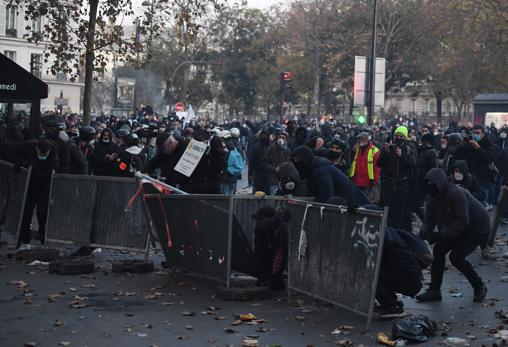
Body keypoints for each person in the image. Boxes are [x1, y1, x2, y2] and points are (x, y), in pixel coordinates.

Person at [416, 168, 489, 303]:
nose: (431, 190)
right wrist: (424, 231)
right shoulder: (432, 198)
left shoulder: (456, 194)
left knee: (456, 257)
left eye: (433, 185)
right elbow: (429, 220)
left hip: (477, 228)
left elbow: (463, 221)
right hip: (457, 227)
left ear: (441, 183)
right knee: (438, 250)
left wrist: (441, 235)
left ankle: (479, 286)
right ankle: (434, 291)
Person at [16, 139, 59, 249]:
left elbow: (53, 168)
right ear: (37, 149)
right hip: (31, 185)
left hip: (44, 186)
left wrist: (34, 168)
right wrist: (19, 163)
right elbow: (16, 153)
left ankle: (43, 239)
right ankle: (25, 240)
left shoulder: (53, 153)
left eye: (46, 153)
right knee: (26, 213)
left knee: (42, 213)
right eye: (41, 153)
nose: (43, 155)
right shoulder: (28, 146)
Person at [292, 145, 366, 206]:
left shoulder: (321, 170)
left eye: (297, 160)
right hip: (346, 205)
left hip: (353, 205)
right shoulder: (315, 168)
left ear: (305, 159)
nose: (296, 163)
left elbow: (326, 194)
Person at [377, 126, 415, 229]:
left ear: (405, 137)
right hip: (388, 182)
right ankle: (385, 228)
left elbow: (411, 165)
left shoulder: (408, 149)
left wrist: (401, 156)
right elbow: (379, 163)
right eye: (397, 136)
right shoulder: (389, 147)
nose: (398, 138)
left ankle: (397, 230)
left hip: (402, 183)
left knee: (399, 210)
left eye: (401, 136)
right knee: (386, 209)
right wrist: (385, 152)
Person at [251, 205, 289, 290]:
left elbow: (277, 245)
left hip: (275, 250)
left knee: (275, 267)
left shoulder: (279, 228)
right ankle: (267, 280)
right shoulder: (269, 226)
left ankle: (271, 281)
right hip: (269, 249)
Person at [349, 132, 380, 199]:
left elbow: (377, 168)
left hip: (368, 183)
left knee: (365, 202)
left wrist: (375, 182)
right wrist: (352, 152)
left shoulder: (375, 150)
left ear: (367, 140)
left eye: (361, 139)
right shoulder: (356, 149)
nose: (359, 141)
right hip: (356, 180)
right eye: (358, 139)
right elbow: (351, 162)